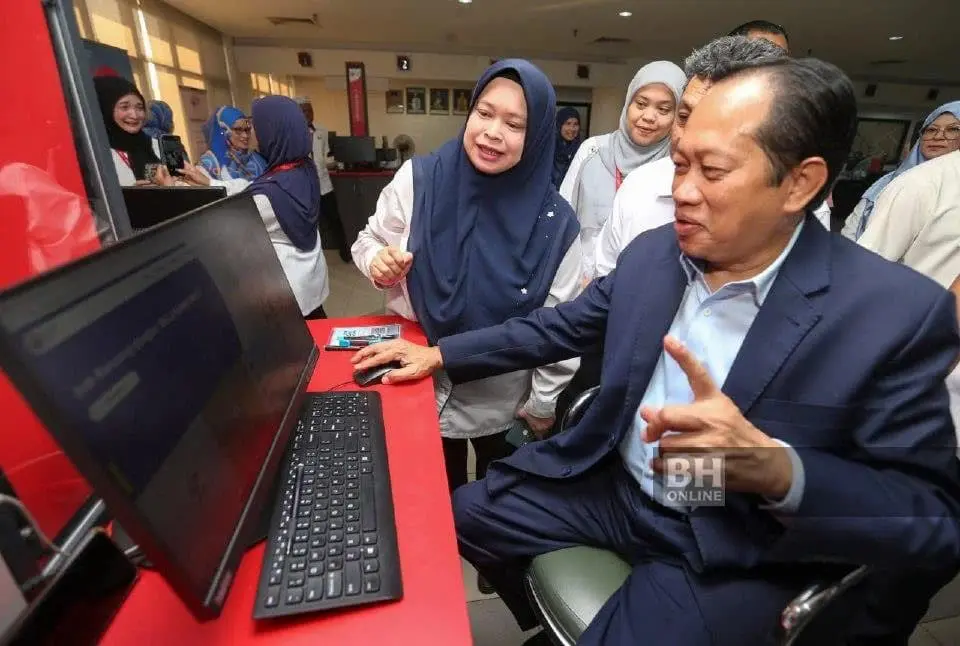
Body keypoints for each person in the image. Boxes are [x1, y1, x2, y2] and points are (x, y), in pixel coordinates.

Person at [349, 57, 960, 646]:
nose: (682, 193)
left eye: (712, 173)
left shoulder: (890, 313)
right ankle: (549, 622)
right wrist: (442, 355)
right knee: (462, 514)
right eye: (677, 164)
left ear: (800, 182)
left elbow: (931, 523)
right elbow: (555, 329)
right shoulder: (654, 255)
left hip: (725, 538)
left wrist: (779, 471)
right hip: (615, 488)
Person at [350, 59, 583, 498]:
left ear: (535, 139)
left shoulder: (556, 224)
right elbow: (368, 240)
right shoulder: (419, 180)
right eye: (484, 113)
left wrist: (541, 401)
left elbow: (558, 325)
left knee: (497, 513)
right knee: (425, 507)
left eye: (515, 124)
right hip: (415, 384)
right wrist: (377, 262)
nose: (493, 132)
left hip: (501, 401)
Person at [595, 36, 831, 278]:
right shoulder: (639, 185)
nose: (687, 139)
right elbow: (604, 284)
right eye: (684, 117)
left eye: (714, 124)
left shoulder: (800, 206)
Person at [560, 61, 686, 282]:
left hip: (642, 288)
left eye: (664, 109)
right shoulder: (593, 151)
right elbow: (563, 216)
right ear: (628, 103)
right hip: (579, 285)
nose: (648, 116)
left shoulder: (677, 168)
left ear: (677, 115)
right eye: (641, 103)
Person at [245, 96, 330, 319]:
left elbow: (235, 210)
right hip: (311, 283)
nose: (250, 131)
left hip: (286, 292)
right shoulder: (304, 168)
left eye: (253, 124)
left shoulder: (266, 196)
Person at [842, 101, 960, 240]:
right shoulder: (891, 181)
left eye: (953, 129)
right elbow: (853, 227)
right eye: (931, 130)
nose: (938, 136)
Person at [296, 97, 350, 262]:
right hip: (305, 186)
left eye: (310, 110)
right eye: (304, 110)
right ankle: (310, 256)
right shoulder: (294, 132)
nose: (308, 114)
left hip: (325, 185)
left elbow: (326, 155)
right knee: (309, 223)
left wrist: (336, 162)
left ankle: (345, 253)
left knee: (335, 219)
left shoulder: (322, 130)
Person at [93, 75, 161, 187]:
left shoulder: (156, 146)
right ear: (105, 109)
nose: (134, 115)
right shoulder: (93, 152)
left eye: (139, 108)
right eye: (124, 107)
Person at [197, 105, 267, 184]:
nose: (245, 135)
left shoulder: (258, 159)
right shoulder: (209, 163)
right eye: (238, 130)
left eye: (247, 130)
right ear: (224, 131)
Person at [551, 106, 582, 187]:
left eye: (575, 124)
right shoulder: (549, 149)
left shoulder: (582, 150)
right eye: (568, 123)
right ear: (559, 125)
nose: (572, 128)